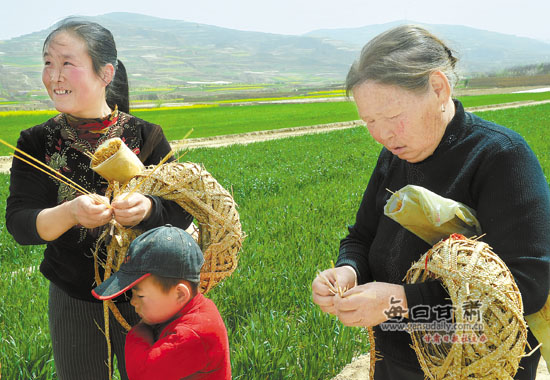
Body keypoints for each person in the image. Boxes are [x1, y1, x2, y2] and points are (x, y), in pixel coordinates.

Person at [311, 25, 550, 380]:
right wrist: (349, 270)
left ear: (438, 88)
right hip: (392, 360)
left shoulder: (501, 157)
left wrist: (399, 304)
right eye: (369, 121)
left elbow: (525, 289)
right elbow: (362, 236)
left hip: (477, 367)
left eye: (392, 117)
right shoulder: (394, 157)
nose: (382, 134)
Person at [5, 19, 193, 379]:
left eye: (67, 63)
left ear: (105, 73)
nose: (54, 75)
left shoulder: (146, 136)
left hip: (149, 295)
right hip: (74, 296)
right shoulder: (36, 143)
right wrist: (71, 211)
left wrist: (148, 209)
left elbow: (181, 209)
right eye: (48, 63)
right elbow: (21, 224)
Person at [92, 224, 231, 380]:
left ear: (179, 294)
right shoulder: (188, 310)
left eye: (140, 295)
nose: (132, 302)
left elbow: (141, 374)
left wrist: (138, 331)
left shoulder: (193, 334)